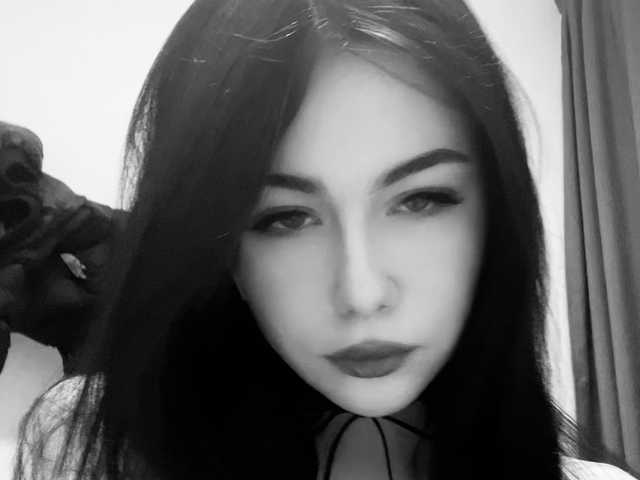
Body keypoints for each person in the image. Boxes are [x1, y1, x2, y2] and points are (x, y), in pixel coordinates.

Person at [11, 1, 640, 479]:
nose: (361, 294)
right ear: (219, 248)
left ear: (495, 218)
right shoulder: (88, 446)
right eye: (284, 217)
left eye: (421, 199)